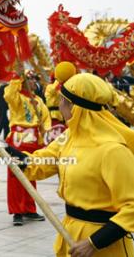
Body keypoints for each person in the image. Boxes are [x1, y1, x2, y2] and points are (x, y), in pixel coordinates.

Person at [10, 73, 134, 257]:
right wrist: (0, 146)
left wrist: (94, 242)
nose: (59, 105)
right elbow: (37, 165)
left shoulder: (112, 150)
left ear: (76, 108)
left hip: (105, 246)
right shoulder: (68, 138)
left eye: (63, 100)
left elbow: (131, 207)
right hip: (71, 234)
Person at [4, 75, 51, 226]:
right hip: (18, 140)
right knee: (15, 176)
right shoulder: (16, 97)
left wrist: (45, 135)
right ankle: (17, 212)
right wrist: (16, 77)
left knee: (31, 174)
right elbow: (8, 94)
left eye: (35, 79)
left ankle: (29, 209)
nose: (33, 82)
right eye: (30, 79)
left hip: (33, 140)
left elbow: (46, 120)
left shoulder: (38, 100)